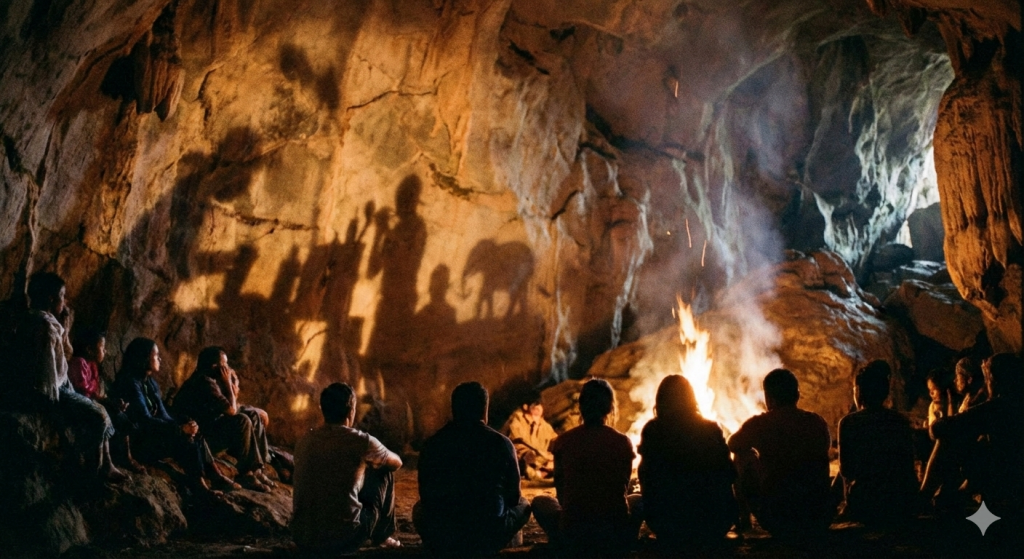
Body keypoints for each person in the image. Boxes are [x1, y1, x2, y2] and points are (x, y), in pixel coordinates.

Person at [13, 272, 126, 482]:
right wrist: (50, 402)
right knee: (98, 415)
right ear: (51, 299)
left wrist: (65, 328)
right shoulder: (43, 326)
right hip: (52, 389)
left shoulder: (48, 322)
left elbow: (64, 354)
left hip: (61, 383)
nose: (65, 301)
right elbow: (46, 370)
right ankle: (93, 471)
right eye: (62, 296)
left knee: (100, 409)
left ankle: (106, 463)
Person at [415, 381, 531, 556]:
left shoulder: (433, 444)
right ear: (484, 410)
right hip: (488, 534)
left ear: (453, 409)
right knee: (525, 504)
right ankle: (503, 539)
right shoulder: (501, 443)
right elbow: (514, 497)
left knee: (418, 509)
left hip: (444, 533)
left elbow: (426, 496)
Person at [113, 337, 237, 495]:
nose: (159, 358)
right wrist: (178, 430)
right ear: (144, 357)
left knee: (189, 426)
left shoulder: (150, 382)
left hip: (154, 432)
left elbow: (164, 415)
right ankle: (200, 486)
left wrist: (184, 426)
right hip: (141, 440)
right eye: (155, 354)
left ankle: (213, 474)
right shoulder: (130, 383)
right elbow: (144, 420)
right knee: (186, 439)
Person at [532, 379, 641, 555]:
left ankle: (561, 541)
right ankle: (627, 540)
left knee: (540, 502)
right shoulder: (623, 442)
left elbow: (561, 493)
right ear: (610, 408)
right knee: (638, 500)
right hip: (614, 531)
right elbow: (624, 486)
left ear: (581, 406)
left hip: (574, 531)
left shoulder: (563, 442)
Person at [292, 383, 402, 553]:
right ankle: (382, 537)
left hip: (303, 537)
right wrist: (373, 461)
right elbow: (397, 463)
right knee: (383, 471)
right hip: (343, 539)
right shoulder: (361, 441)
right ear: (351, 410)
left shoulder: (305, 440)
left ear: (323, 409)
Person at [728, 368, 832, 540]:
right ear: (797, 395)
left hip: (778, 518)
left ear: (769, 398)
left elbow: (732, 444)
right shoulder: (817, 421)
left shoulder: (760, 423)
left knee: (740, 455)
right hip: (818, 515)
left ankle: (744, 522)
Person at [637, 375, 736, 549]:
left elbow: (646, 475)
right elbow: (730, 473)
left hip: (666, 525)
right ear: (692, 399)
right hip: (715, 523)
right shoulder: (712, 428)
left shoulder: (652, 430)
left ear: (660, 400)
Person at [923, 353, 1024, 517]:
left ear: (996, 380)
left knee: (949, 439)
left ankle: (925, 496)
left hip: (1006, 475)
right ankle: (956, 494)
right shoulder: (1015, 402)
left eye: (988, 379)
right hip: (1009, 470)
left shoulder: (999, 406)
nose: (986, 383)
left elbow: (941, 429)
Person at [173, 346, 273, 491]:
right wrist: (227, 384)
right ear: (215, 367)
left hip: (209, 429)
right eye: (224, 365)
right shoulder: (204, 383)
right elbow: (232, 411)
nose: (228, 368)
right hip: (202, 440)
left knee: (253, 415)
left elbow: (230, 406)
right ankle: (246, 473)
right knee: (242, 421)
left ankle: (258, 469)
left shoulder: (209, 380)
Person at [837, 361, 917, 526]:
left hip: (867, 504)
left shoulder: (849, 423)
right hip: (900, 501)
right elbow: (907, 466)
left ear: (858, 392)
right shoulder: (900, 421)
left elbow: (847, 470)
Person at [68, 328, 143, 472]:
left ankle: (124, 457)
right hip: (79, 405)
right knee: (107, 417)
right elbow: (82, 392)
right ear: (90, 350)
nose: (105, 351)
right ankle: (106, 464)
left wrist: (112, 402)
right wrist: (105, 402)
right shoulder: (78, 363)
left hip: (90, 402)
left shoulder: (92, 366)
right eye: (102, 347)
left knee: (118, 414)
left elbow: (95, 393)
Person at [502, 392, 556, 481]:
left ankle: (542, 474)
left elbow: (556, 442)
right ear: (526, 407)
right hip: (523, 460)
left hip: (542, 462)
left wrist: (551, 459)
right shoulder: (517, 421)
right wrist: (529, 454)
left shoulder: (545, 427)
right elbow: (516, 444)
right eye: (535, 405)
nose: (538, 408)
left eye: (540, 405)